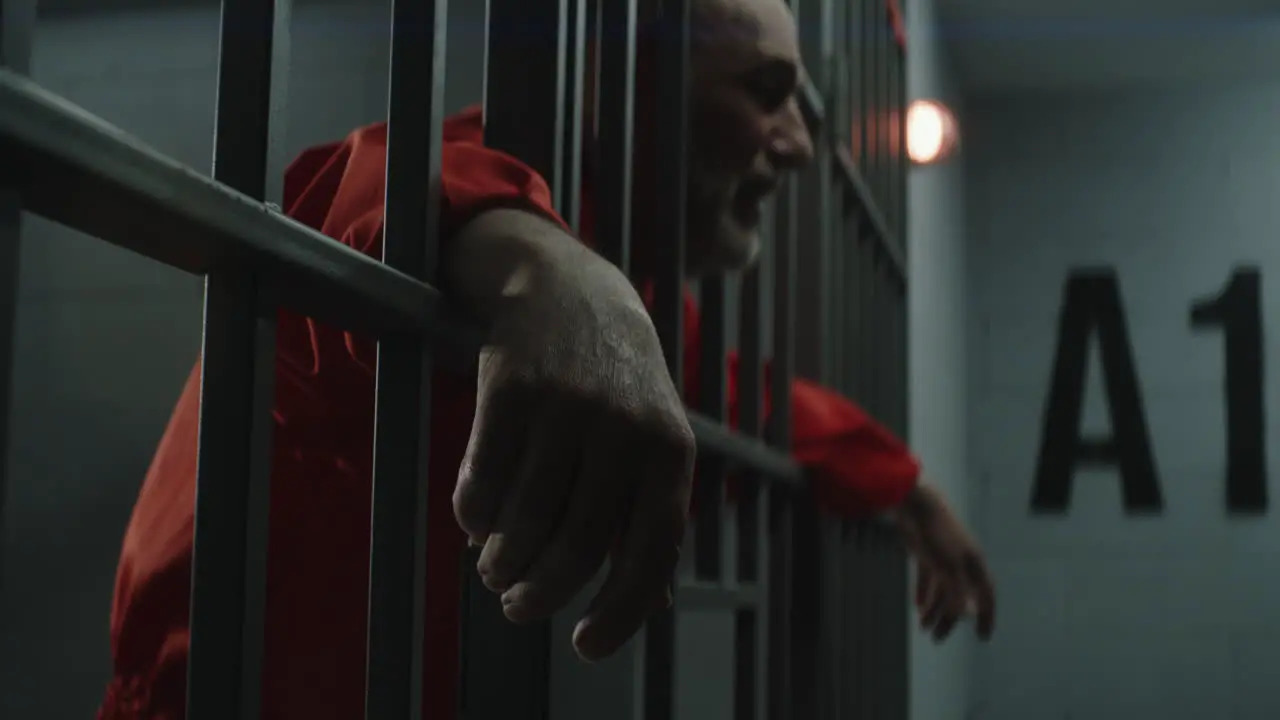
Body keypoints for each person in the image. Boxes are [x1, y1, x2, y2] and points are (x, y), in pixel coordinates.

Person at [98, 0, 994, 717]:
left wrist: (903, 484)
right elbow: (361, 200)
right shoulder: (484, 182)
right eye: (767, 90)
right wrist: (535, 263)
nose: (800, 142)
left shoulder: (621, 273)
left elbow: (739, 397)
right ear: (623, 76)